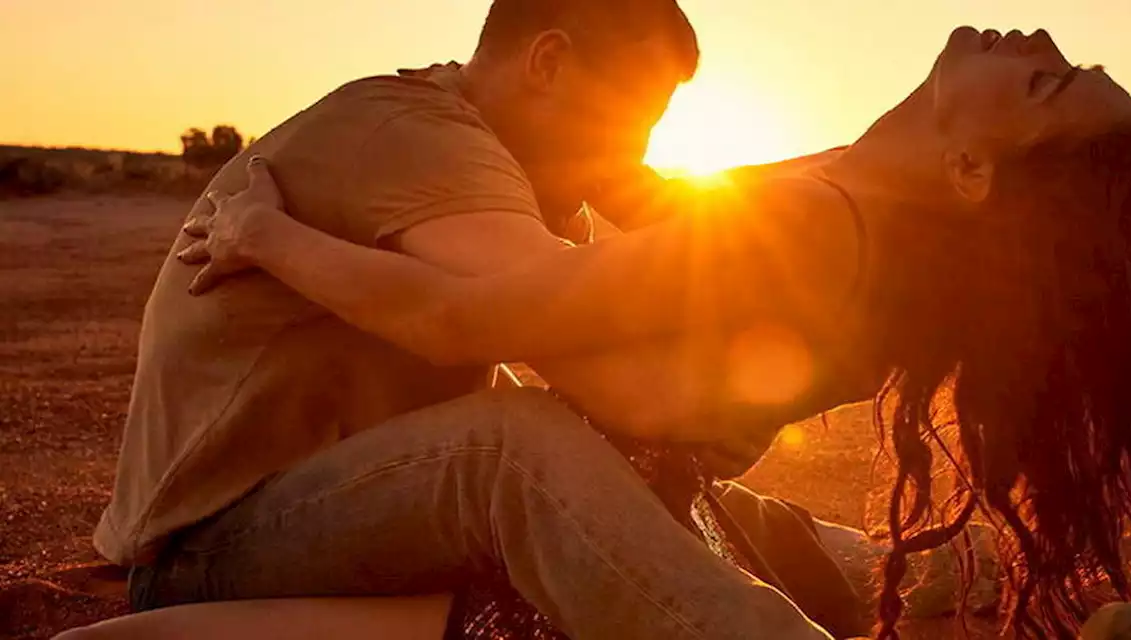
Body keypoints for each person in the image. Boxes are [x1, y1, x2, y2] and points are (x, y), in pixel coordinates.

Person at [176, 24, 1131, 640]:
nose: (1034, 40)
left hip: (605, 450)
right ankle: (985, 585)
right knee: (763, 530)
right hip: (645, 462)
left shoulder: (824, 224)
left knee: (541, 454)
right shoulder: (860, 204)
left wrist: (262, 230)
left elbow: (457, 319)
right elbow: (662, 208)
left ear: (971, 172)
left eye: (1043, 84)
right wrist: (502, 114)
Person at [87, 2, 902, 639]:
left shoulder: (507, 162)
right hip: (213, 546)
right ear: (548, 60)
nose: (641, 147)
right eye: (637, 113)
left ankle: (906, 571)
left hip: (347, 506)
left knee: (614, 449)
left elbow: (676, 246)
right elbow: (540, 326)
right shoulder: (411, 133)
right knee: (510, 446)